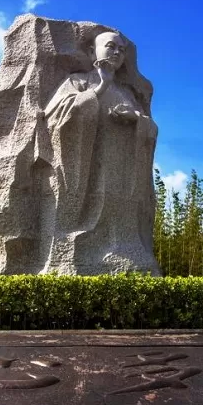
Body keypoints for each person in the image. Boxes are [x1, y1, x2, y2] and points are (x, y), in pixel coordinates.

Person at [40, 30, 160, 275]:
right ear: (93, 51)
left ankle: (126, 252)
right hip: (87, 166)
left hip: (122, 170)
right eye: (110, 46)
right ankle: (73, 253)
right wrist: (100, 87)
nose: (116, 52)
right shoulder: (78, 82)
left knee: (121, 216)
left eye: (121, 49)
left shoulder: (127, 94)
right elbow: (56, 118)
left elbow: (150, 128)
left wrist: (136, 119)